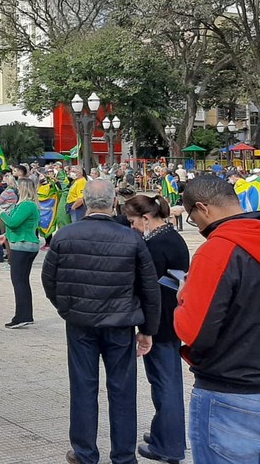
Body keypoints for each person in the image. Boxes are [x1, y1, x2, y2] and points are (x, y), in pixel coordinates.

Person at [41, 179, 161, 464]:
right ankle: (122, 455)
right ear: (113, 203)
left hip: (81, 322)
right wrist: (147, 330)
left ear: (84, 200)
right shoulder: (131, 238)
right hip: (120, 323)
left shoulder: (65, 235)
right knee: (122, 389)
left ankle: (84, 452)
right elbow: (149, 288)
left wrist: (66, 307)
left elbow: (49, 280)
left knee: (83, 386)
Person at [175, 176, 260, 464]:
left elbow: (193, 330)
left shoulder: (218, 249)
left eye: (192, 217)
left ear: (203, 208)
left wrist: (182, 298)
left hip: (232, 393)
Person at [122, 194, 189, 464]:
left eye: (133, 222)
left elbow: (150, 291)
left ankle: (169, 445)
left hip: (159, 321)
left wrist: (146, 327)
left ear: (146, 218)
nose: (132, 228)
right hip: (172, 316)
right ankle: (167, 432)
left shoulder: (154, 246)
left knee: (165, 384)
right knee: (169, 381)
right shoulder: (173, 239)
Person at [0, 178, 40, 329]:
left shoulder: (26, 205)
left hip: (22, 247)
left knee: (18, 281)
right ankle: (26, 314)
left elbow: (13, 222)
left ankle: (21, 316)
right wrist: (6, 236)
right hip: (26, 244)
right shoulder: (31, 205)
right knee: (23, 281)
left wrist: (2, 214)